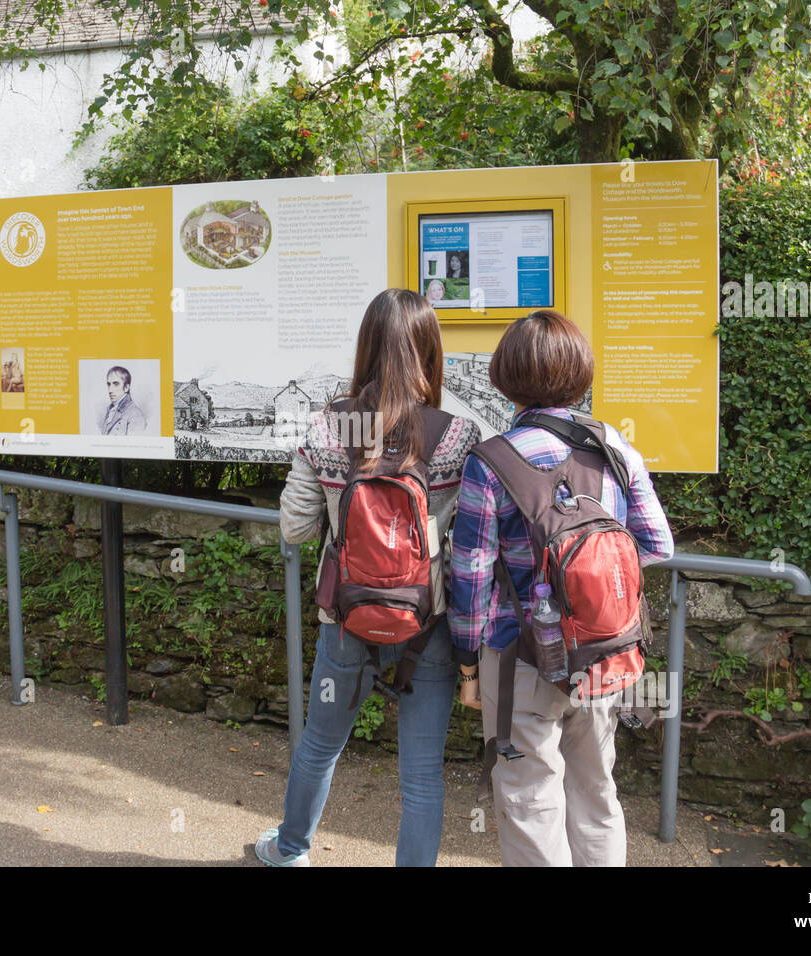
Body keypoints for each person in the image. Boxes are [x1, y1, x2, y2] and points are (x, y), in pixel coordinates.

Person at [255, 288, 481, 867]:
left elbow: (296, 528)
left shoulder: (331, 426)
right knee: (422, 775)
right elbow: (469, 543)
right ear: (431, 350)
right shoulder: (457, 436)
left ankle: (289, 851)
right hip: (427, 622)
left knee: (320, 746)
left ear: (367, 346)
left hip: (345, 618)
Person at [448, 309, 673, 867]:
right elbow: (657, 546)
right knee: (597, 794)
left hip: (518, 654)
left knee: (529, 797)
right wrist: (589, 589)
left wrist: (469, 668)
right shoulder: (615, 449)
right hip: (604, 652)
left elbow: (472, 576)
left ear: (506, 377)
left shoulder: (492, 461)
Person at [100, 366, 147, 435]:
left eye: (116, 384)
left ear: (126, 388)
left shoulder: (135, 415)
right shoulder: (110, 410)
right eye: (109, 384)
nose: (110, 390)